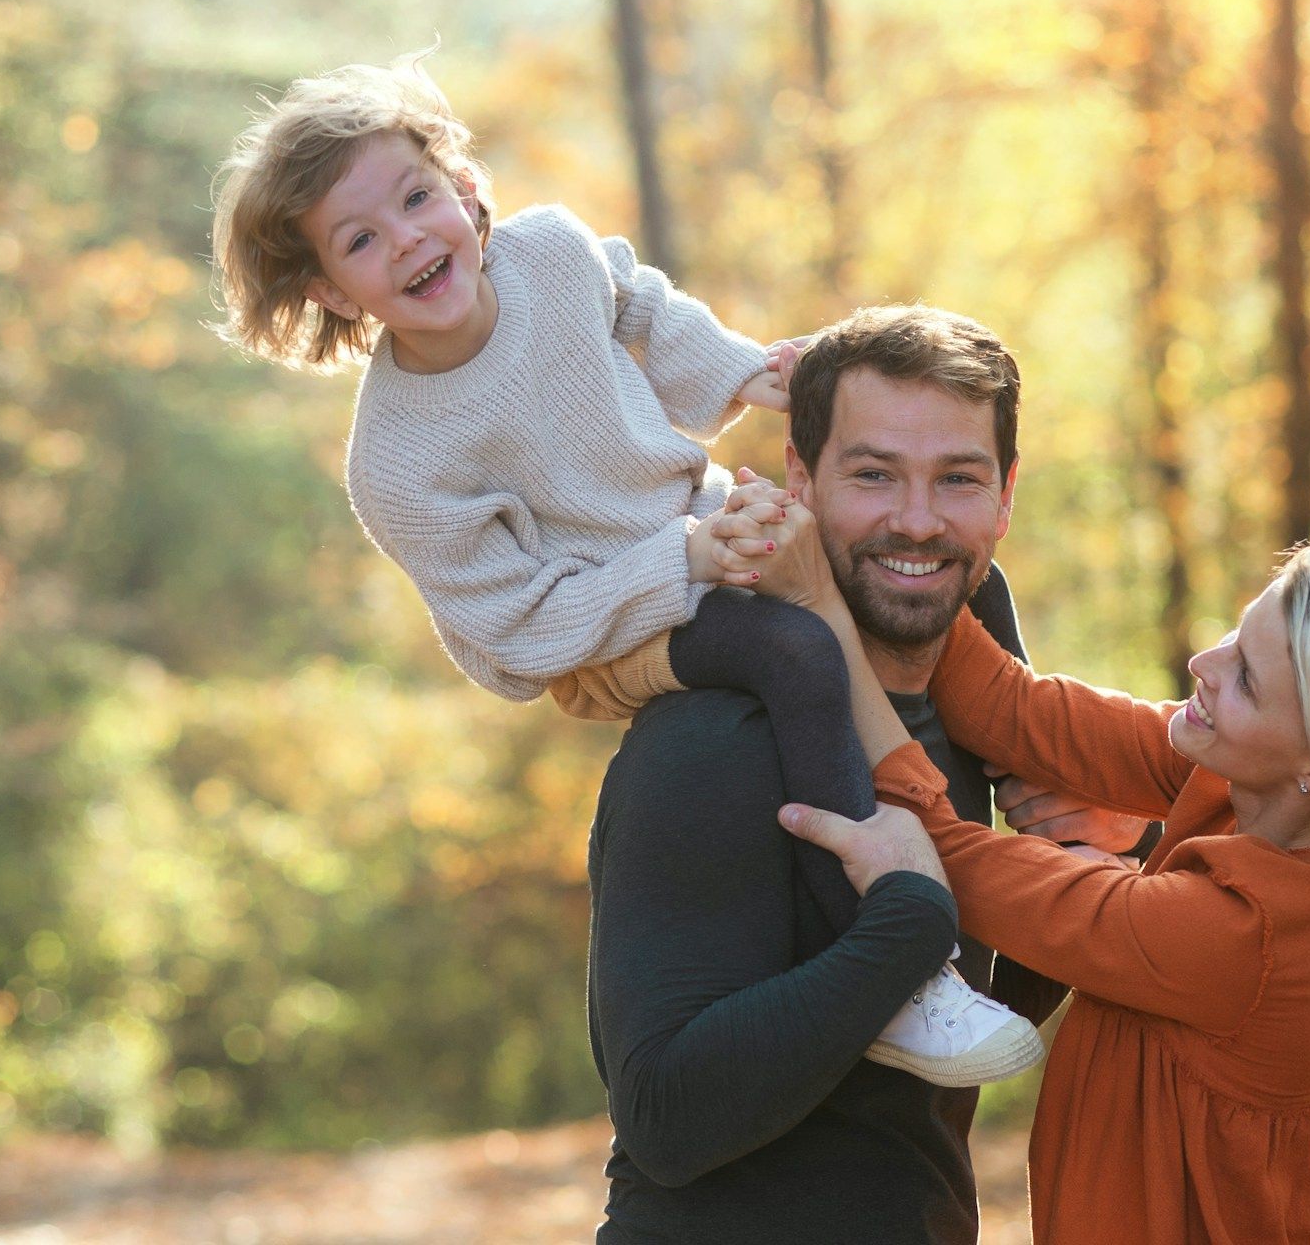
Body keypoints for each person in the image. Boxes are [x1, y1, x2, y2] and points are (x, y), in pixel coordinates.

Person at [206, 55, 1045, 1087]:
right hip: (598, 621)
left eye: (417, 198)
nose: (409, 239)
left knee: (923, 564)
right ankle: (898, 973)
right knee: (790, 649)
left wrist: (744, 372)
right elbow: (519, 627)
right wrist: (686, 558)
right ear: (334, 290)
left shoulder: (551, 255)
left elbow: (640, 307)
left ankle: (1046, 798)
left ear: (465, 190)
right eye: (360, 240)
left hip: (694, 527)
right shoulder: (401, 462)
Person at [586, 305, 1147, 1242]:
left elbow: (953, 1043)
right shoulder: (716, 734)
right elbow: (665, 1121)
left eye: (957, 479)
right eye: (873, 474)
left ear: (1006, 495)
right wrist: (905, 925)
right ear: (801, 478)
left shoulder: (974, 714)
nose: (917, 521)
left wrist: (1090, 874)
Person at [783, 535, 1310, 1243]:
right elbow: (1013, 709)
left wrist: (826, 616)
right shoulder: (1278, 785)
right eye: (1236, 632)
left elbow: (942, 851)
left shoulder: (1243, 940)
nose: (1205, 662)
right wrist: (930, 540)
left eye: (1247, 678)